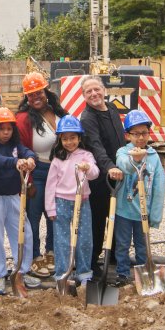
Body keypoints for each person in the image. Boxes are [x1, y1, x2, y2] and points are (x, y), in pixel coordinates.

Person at [0, 107, 41, 295]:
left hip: (14, 196)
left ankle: (22, 271)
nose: (6, 133)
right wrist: (15, 162)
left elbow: (29, 152)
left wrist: (30, 159)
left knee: (25, 233)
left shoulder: (17, 146)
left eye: (9, 129)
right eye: (1, 129)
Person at [16, 72, 68, 278]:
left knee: (55, 215)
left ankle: (52, 253)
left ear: (46, 92)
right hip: (37, 171)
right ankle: (35, 256)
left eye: (39, 92)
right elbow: (19, 146)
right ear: (26, 98)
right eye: (31, 95)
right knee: (34, 216)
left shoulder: (58, 113)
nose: (35, 97)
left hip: (59, 171)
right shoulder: (23, 119)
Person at [79, 76, 126, 278]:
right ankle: (92, 260)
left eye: (96, 89)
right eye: (88, 92)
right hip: (101, 177)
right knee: (98, 220)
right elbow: (96, 147)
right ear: (83, 96)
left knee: (116, 217)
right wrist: (111, 167)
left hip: (118, 174)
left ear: (104, 90)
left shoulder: (112, 109)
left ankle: (115, 254)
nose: (94, 94)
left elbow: (121, 141)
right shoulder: (88, 118)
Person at [44, 115, 99, 286]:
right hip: (61, 202)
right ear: (60, 139)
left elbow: (95, 173)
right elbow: (50, 186)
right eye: (65, 139)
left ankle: (84, 272)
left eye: (73, 138)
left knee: (84, 238)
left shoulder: (86, 155)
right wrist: (50, 209)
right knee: (62, 239)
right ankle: (62, 273)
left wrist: (87, 168)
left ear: (79, 138)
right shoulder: (57, 159)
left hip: (82, 201)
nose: (69, 142)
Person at [114, 110, 165, 287]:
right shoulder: (123, 152)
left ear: (149, 134)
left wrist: (156, 214)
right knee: (122, 244)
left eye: (144, 133)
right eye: (135, 134)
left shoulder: (154, 157)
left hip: (144, 213)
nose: (140, 138)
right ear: (127, 135)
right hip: (124, 211)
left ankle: (144, 273)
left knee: (143, 246)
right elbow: (124, 166)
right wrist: (135, 160)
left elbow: (159, 186)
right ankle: (122, 273)